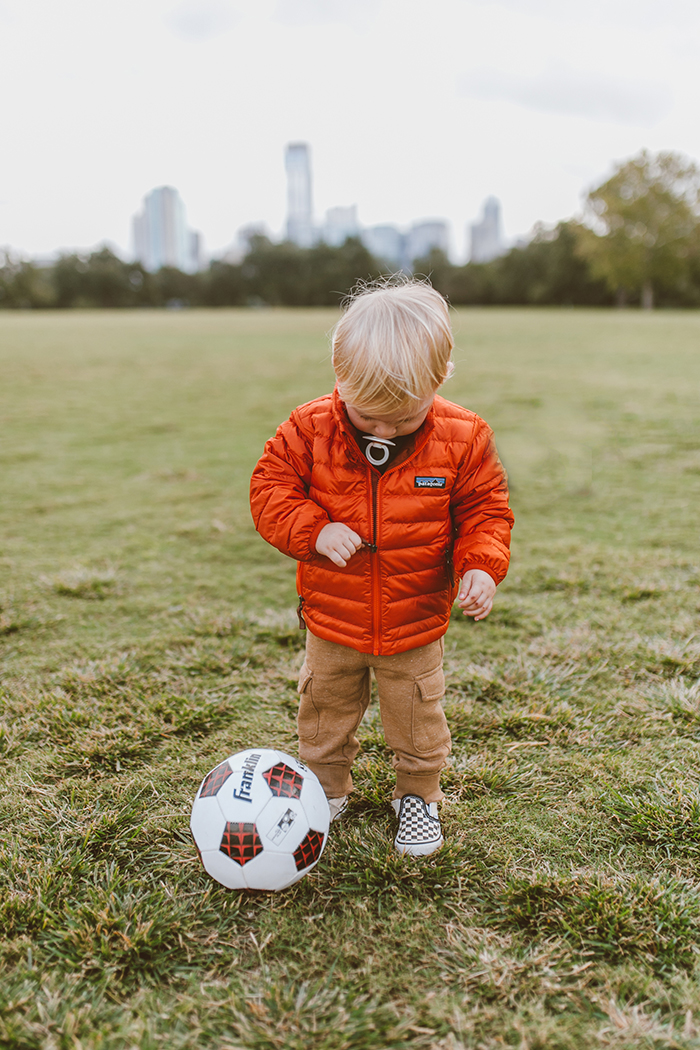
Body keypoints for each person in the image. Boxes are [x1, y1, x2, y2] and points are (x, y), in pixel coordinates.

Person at [250, 278, 514, 856]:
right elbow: (269, 490)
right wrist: (316, 531)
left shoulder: (465, 437)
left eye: (403, 417)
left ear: (438, 381)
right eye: (369, 416)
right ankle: (324, 789)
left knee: (417, 713)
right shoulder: (307, 429)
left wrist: (481, 567)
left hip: (415, 619)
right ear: (339, 378)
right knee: (323, 706)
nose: (385, 430)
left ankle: (418, 796)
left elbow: (486, 511)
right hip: (332, 616)